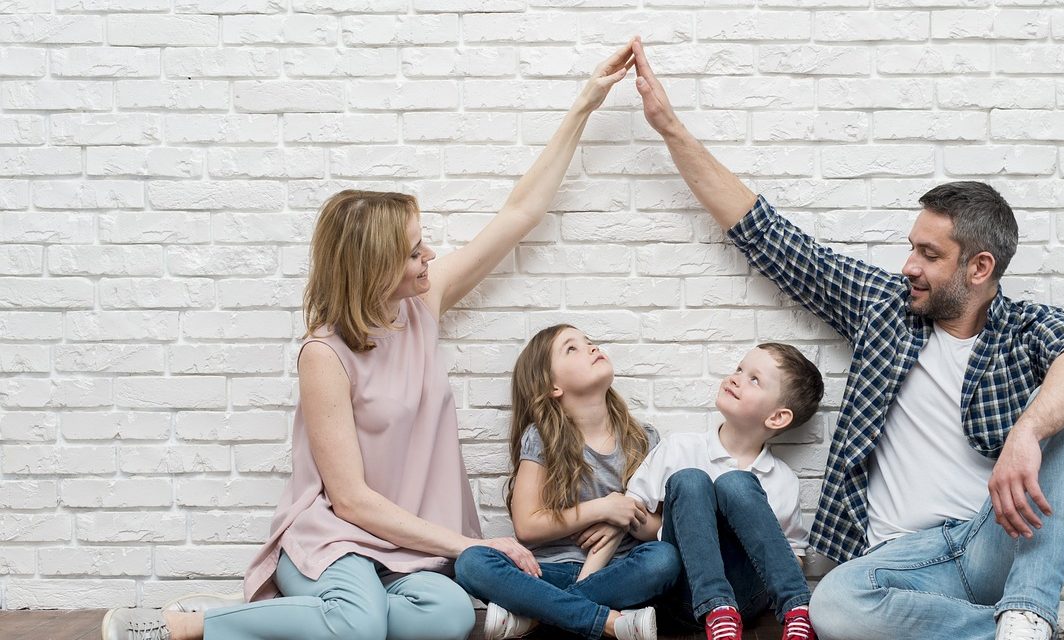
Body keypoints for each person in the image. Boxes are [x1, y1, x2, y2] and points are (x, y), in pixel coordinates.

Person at [99, 41, 640, 640]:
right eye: (413, 250)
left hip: (412, 547)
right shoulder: (324, 355)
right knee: (358, 624)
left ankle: (324, 618)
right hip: (339, 539)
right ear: (375, 268)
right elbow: (351, 501)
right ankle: (185, 625)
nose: (429, 255)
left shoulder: (423, 303)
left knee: (449, 616)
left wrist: (585, 105)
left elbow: (519, 213)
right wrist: (472, 542)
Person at [626, 38, 1064, 640]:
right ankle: (1040, 630)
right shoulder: (885, 308)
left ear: (979, 268)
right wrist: (669, 129)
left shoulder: (1025, 330)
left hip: (992, 540)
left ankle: (1031, 608)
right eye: (911, 247)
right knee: (834, 607)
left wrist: (1029, 431)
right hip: (903, 562)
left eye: (929, 254)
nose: (909, 266)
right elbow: (770, 238)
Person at [453, 324, 681, 640]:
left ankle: (537, 618)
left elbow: (657, 530)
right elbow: (527, 527)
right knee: (471, 563)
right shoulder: (542, 438)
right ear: (552, 386)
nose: (590, 347)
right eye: (571, 348)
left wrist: (624, 517)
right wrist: (604, 507)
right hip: (546, 573)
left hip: (618, 571)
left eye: (589, 341)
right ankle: (608, 622)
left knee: (664, 560)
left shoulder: (644, 439)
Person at [624, 343, 823, 640]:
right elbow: (633, 513)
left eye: (754, 379)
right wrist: (683, 523)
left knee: (736, 483)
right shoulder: (681, 447)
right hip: (682, 595)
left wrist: (751, 536)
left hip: (746, 597)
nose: (735, 377)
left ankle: (797, 609)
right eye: (739, 369)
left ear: (777, 418)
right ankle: (717, 609)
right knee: (691, 480)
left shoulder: (782, 479)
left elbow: (793, 555)